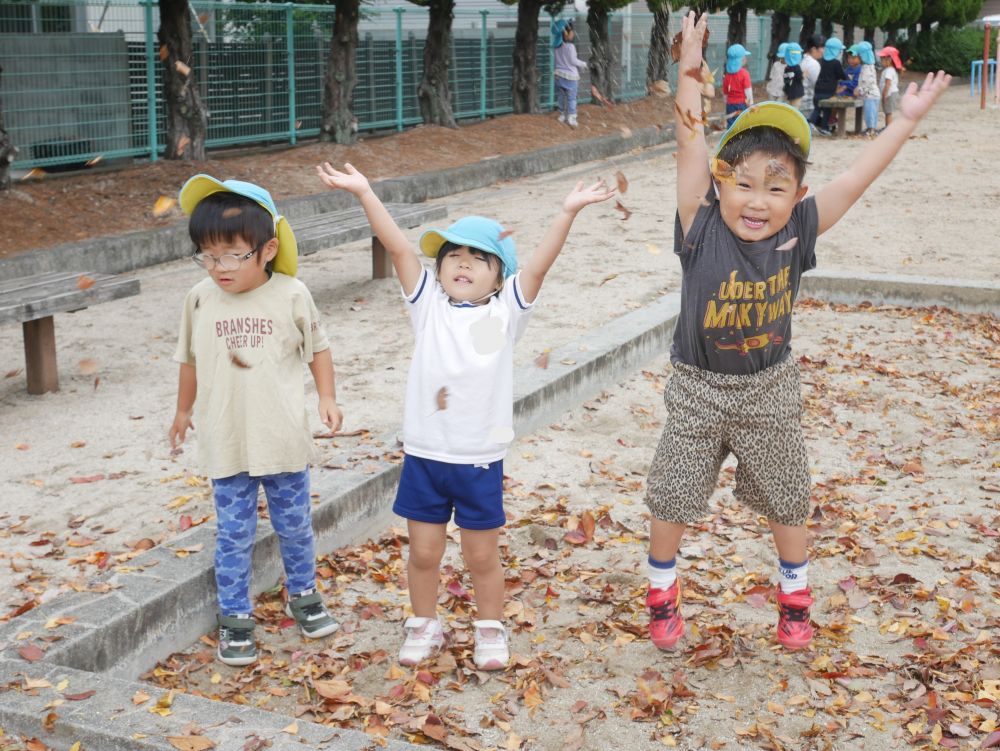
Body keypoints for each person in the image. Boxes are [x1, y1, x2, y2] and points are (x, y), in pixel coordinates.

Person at [644, 10, 950, 653]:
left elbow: (855, 181)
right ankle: (662, 589)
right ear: (720, 184)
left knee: (789, 497)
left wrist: (905, 121)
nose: (757, 201)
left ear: (797, 195)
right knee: (672, 491)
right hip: (697, 387)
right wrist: (689, 66)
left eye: (776, 188)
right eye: (745, 184)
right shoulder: (700, 226)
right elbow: (689, 141)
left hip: (769, 390)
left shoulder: (798, 231)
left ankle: (795, 599)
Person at [314, 162, 614, 670]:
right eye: (453, 254)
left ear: (500, 276)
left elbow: (538, 268)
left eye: (480, 257)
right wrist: (366, 191)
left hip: (478, 460)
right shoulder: (427, 305)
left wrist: (566, 213)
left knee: (481, 557)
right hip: (426, 456)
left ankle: (489, 629)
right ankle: (423, 623)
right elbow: (400, 249)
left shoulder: (506, 312)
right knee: (424, 553)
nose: (463, 263)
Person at [169, 176, 344, 666]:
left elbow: (320, 349)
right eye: (207, 254)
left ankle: (304, 596)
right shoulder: (200, 298)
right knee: (234, 532)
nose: (219, 267)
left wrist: (326, 396)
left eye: (232, 254)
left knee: (294, 526)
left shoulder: (292, 294)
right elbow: (189, 359)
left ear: (267, 250)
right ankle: (235, 616)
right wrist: (183, 411)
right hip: (227, 441)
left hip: (281, 438)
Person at [552, 19, 588, 128]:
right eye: (571, 31)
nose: (573, 33)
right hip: (570, 77)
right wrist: (584, 64)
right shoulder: (570, 47)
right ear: (566, 33)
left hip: (558, 76)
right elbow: (573, 61)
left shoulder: (556, 46)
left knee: (561, 96)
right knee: (572, 98)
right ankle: (571, 118)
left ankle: (562, 115)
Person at [812, 36, 845, 135]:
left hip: (818, 88)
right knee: (827, 109)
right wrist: (848, 78)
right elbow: (841, 75)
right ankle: (820, 126)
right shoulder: (836, 63)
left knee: (817, 108)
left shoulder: (822, 61)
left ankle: (821, 126)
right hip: (829, 90)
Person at [851, 42, 880, 136]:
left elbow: (866, 84)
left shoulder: (867, 68)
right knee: (871, 113)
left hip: (870, 95)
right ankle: (870, 128)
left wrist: (858, 91)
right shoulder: (869, 66)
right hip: (870, 95)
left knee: (870, 114)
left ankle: (871, 129)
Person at [723, 43, 754, 124]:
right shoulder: (745, 73)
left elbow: (725, 93)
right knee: (742, 123)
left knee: (731, 124)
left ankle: (730, 136)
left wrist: (726, 102)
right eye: (744, 57)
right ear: (741, 60)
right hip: (741, 104)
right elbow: (748, 91)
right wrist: (751, 104)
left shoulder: (727, 75)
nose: (745, 59)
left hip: (730, 105)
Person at [799, 34, 824, 121]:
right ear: (813, 49)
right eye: (822, 48)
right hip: (808, 106)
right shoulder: (813, 64)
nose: (823, 51)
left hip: (800, 103)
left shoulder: (802, 60)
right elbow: (818, 85)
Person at [878, 46, 903, 128]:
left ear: (889, 59)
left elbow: (888, 84)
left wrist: (884, 95)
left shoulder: (889, 71)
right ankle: (887, 126)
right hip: (891, 93)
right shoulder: (891, 70)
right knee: (887, 112)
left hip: (889, 94)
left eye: (882, 59)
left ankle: (888, 128)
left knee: (888, 112)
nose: (881, 61)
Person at [782, 43, 805, 108]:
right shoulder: (797, 67)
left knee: (791, 108)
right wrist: (804, 74)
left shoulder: (787, 68)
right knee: (796, 110)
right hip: (797, 92)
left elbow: (786, 80)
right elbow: (800, 78)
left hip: (789, 92)